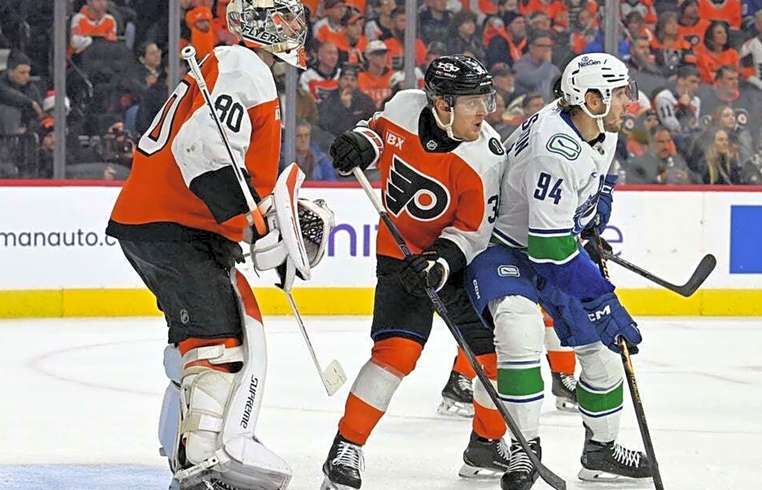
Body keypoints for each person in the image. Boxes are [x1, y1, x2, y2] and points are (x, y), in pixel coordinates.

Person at [104, 1, 331, 489]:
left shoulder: (234, 66)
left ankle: (181, 446)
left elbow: (227, 159)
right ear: (256, 22)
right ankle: (201, 460)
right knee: (218, 341)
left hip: (165, 221)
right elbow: (201, 148)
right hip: (177, 223)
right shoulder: (245, 66)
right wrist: (248, 223)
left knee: (196, 336)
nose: (293, 27)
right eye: (281, 18)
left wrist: (263, 221)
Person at [465, 52, 653, 489]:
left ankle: (601, 451)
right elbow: (550, 249)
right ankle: (524, 450)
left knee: (603, 355)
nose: (628, 102)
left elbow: (593, 175)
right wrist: (602, 299)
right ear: (591, 99)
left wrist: (595, 206)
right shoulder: (555, 147)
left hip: (554, 245)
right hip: (504, 248)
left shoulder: (597, 123)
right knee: (520, 332)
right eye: (619, 94)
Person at [320, 55, 508, 489]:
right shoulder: (405, 105)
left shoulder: (486, 157)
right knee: (396, 353)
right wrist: (362, 143)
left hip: (456, 263)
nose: (484, 111)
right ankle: (346, 447)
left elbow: (473, 232)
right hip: (398, 254)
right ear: (442, 105)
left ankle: (486, 443)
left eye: (486, 100)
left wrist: (440, 262)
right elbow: (377, 133)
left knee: (494, 354)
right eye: (473, 102)